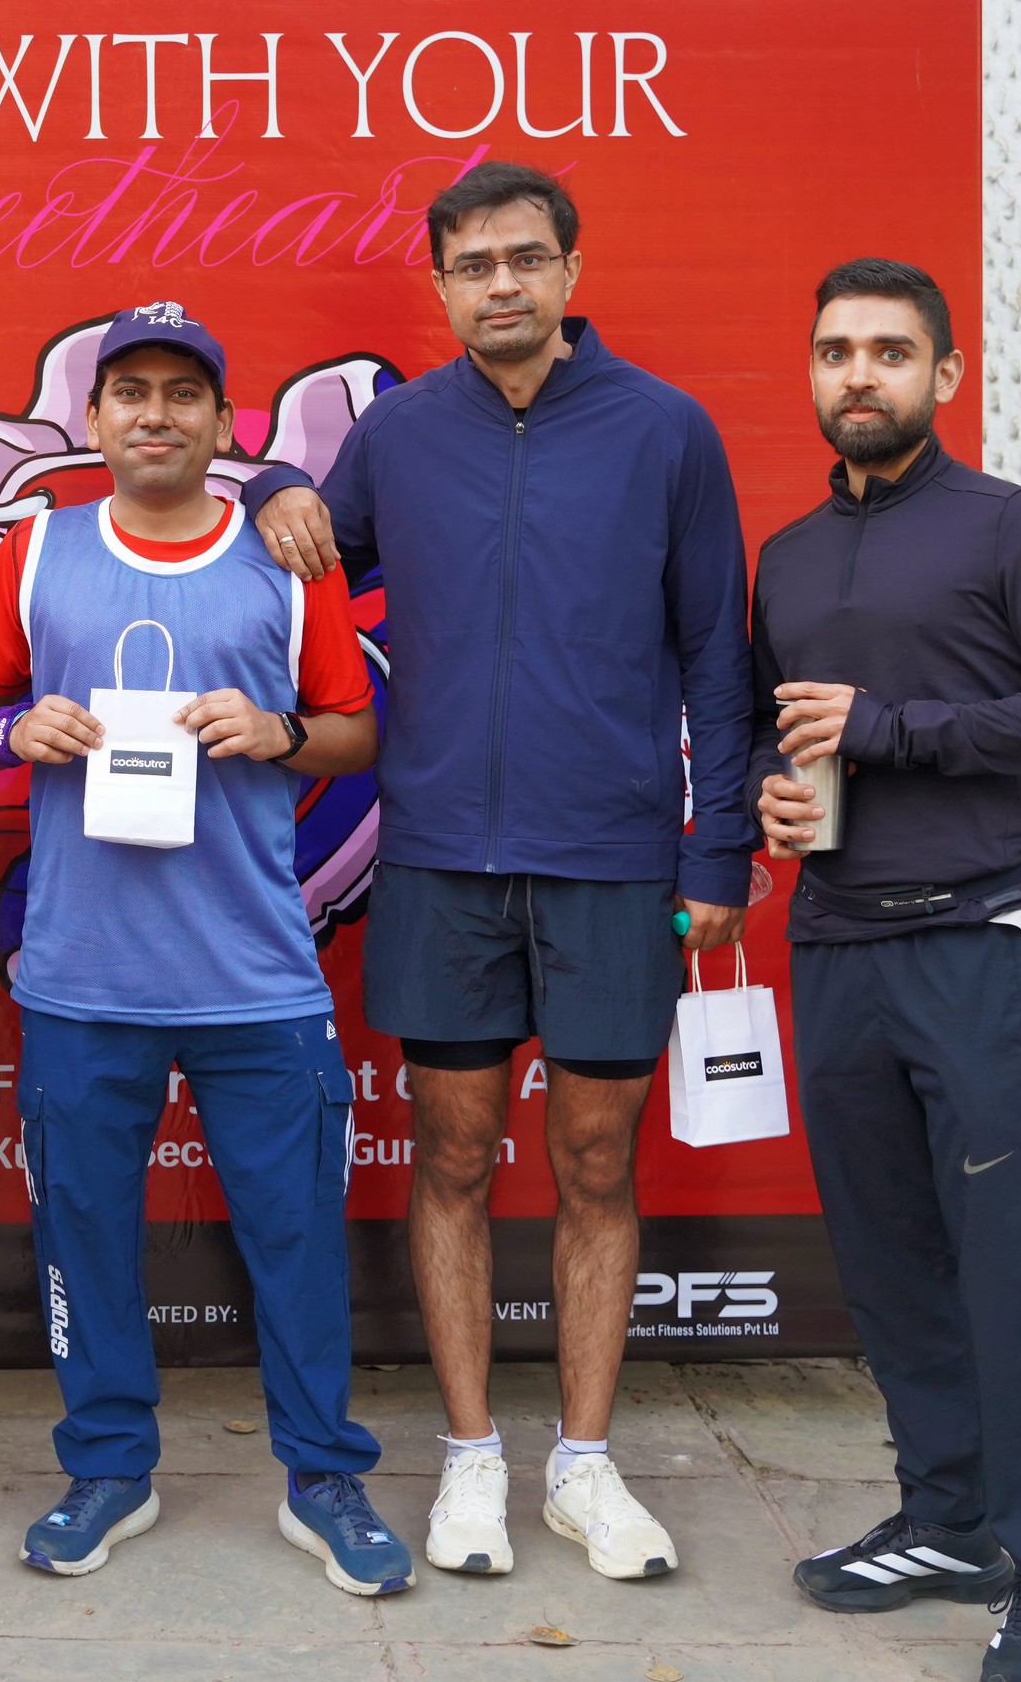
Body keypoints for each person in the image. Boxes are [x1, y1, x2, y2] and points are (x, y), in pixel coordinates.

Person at [247, 162, 754, 1582]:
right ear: (442, 286)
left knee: (595, 1162)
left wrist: (717, 844)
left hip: (610, 860)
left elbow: (718, 657)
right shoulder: (404, 433)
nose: (503, 284)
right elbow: (301, 543)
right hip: (442, 864)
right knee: (455, 1155)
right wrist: (279, 484)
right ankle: (472, 1459)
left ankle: (584, 1465)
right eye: (473, 265)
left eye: (526, 258)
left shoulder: (666, 431)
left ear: (572, 271)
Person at [0, 302, 414, 1598]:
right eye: (132, 392)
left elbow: (355, 731)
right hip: (82, 975)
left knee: (297, 1240)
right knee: (87, 1237)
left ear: (220, 419)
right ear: (94, 416)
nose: (156, 414)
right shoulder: (37, 548)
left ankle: (323, 1477)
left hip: (255, 973)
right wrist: (13, 734)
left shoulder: (287, 554)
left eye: (183, 394)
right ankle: (110, 1468)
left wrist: (279, 733)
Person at [753, 259, 1021, 1679]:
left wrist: (895, 729)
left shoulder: (1007, 525)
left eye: (890, 351)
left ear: (946, 375)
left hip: (978, 935)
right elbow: (781, 733)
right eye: (836, 351)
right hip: (836, 940)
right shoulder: (788, 554)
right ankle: (949, 1518)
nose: (860, 374)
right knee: (891, 1261)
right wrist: (773, 800)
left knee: (1013, 1271)